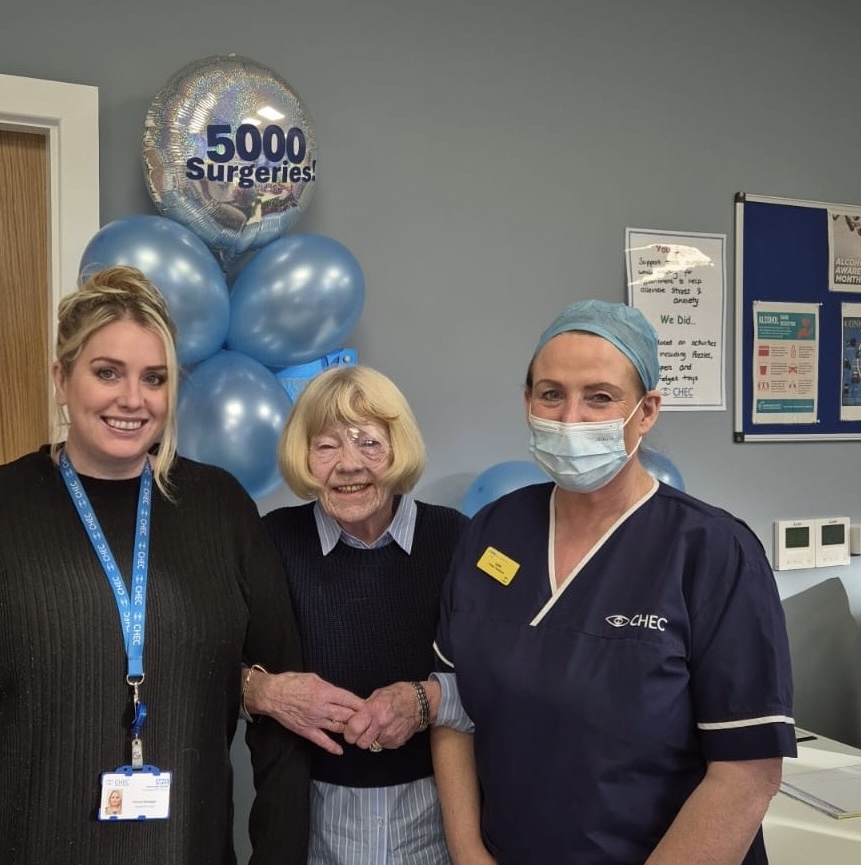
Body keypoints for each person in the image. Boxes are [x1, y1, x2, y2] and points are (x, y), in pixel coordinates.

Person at [431, 299, 796, 865]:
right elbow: (453, 708)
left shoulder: (713, 552)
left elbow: (746, 775)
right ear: (527, 403)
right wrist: (469, 852)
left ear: (646, 411)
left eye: (599, 397)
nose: (571, 418)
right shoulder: (491, 533)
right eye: (551, 394)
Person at [0, 265, 309, 865]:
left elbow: (285, 708)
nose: (132, 400)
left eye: (155, 378)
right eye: (107, 372)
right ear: (62, 379)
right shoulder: (8, 506)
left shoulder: (219, 508)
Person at [244, 365, 468, 864]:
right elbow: (212, 667)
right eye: (326, 446)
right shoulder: (270, 543)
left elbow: (502, 676)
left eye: (368, 442)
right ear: (303, 456)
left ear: (398, 449)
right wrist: (268, 691)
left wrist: (425, 700)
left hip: (437, 822)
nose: (349, 465)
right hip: (310, 828)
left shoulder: (455, 540)